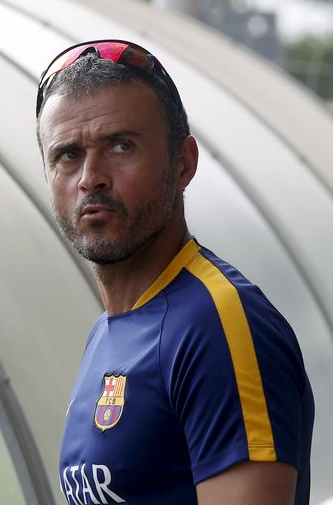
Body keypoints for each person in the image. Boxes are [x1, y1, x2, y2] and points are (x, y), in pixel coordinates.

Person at [35, 39, 314, 505]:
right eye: (67, 155)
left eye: (121, 145)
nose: (91, 177)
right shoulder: (109, 330)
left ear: (183, 162)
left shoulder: (217, 323)